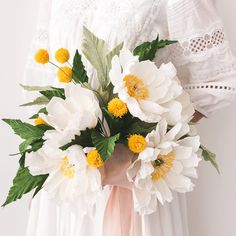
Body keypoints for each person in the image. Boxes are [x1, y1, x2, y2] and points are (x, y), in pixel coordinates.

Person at [24, 0, 236, 235]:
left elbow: (214, 84)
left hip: (132, 181)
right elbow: (42, 83)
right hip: (65, 179)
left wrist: (138, 151)